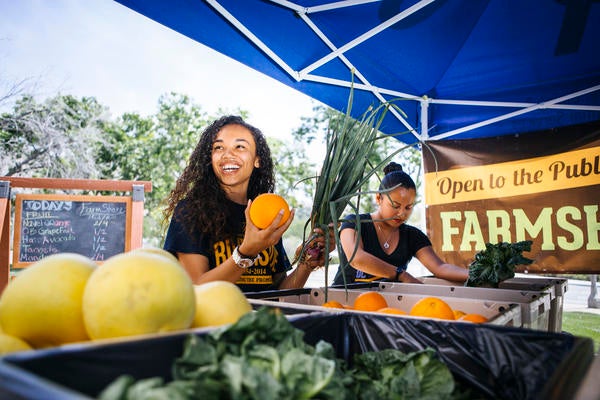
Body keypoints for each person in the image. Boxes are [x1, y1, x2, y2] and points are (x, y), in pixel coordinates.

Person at [162, 115, 327, 292]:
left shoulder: (267, 211)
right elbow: (195, 289)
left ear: (257, 159)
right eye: (218, 147)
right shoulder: (191, 211)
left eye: (239, 146)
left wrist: (307, 264)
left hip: (260, 320)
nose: (227, 154)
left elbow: (278, 292)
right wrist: (245, 254)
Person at [333, 162, 469, 285]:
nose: (402, 213)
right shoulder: (353, 223)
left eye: (408, 207)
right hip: (342, 305)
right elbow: (357, 259)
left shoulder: (412, 236)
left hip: (387, 306)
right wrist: (401, 275)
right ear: (379, 198)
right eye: (396, 206)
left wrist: (475, 275)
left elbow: (440, 268)